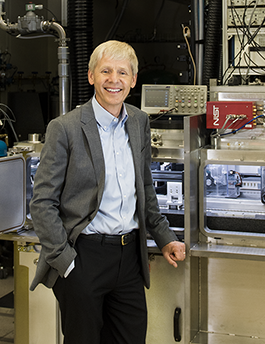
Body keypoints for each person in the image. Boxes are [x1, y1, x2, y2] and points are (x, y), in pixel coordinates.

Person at [28, 40, 186, 344]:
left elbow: (145, 188)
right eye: (106, 71)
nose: (114, 80)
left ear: (133, 80)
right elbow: (42, 203)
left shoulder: (139, 122)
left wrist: (165, 237)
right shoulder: (65, 128)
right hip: (84, 257)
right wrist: (65, 261)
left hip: (129, 260)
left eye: (123, 73)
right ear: (91, 76)